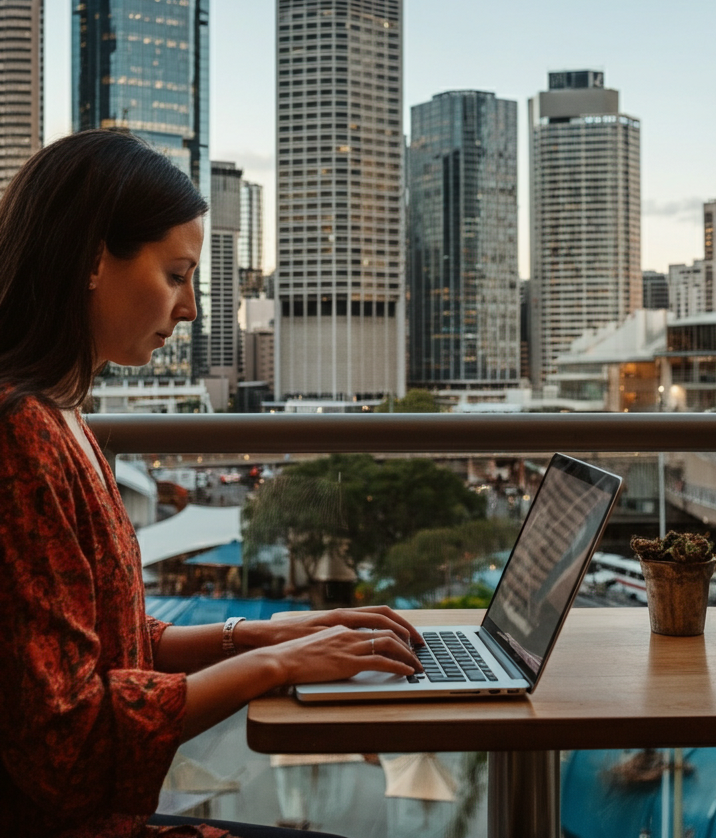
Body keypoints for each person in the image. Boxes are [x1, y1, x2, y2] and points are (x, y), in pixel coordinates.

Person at [0, 131, 424, 837]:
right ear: (92, 260)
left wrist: (266, 634)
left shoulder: (61, 416)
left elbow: (112, 646)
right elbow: (62, 744)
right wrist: (278, 662)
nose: (192, 309)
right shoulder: (21, 435)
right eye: (175, 275)